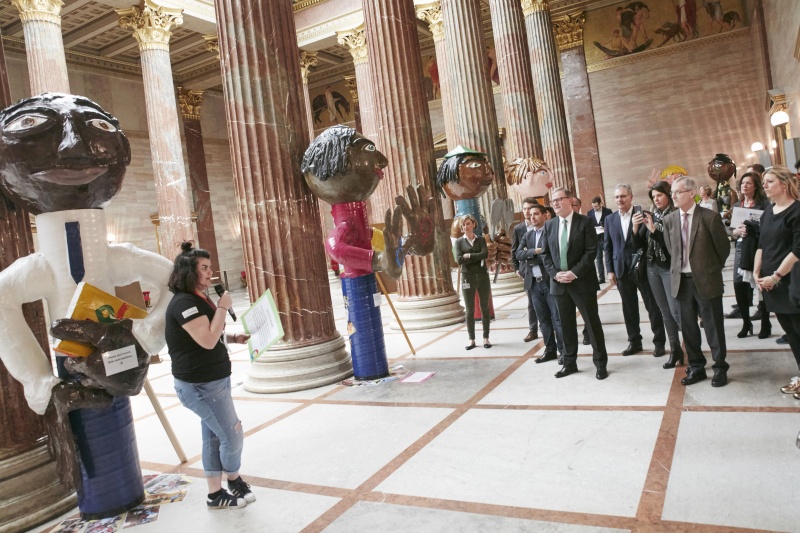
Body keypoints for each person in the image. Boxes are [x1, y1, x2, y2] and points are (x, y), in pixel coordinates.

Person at [166, 243, 254, 509]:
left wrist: (232, 337)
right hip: (200, 385)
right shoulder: (184, 303)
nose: (209, 272)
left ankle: (215, 494)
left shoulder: (198, 299)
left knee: (214, 437)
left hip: (213, 379)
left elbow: (205, 334)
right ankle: (234, 478)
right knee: (233, 435)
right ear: (188, 271)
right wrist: (223, 308)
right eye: (203, 268)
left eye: (209, 267)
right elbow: (205, 339)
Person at [662, 176, 730, 387]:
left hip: (706, 280)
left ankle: (719, 367)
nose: (673, 196)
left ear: (691, 193)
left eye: (677, 192)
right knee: (688, 328)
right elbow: (670, 250)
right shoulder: (669, 220)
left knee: (713, 327)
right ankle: (697, 367)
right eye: (672, 192)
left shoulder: (709, 217)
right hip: (681, 283)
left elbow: (723, 249)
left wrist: (709, 270)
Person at [541, 187, 609, 380]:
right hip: (559, 284)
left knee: (591, 323)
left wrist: (573, 273)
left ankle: (600, 364)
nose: (555, 203)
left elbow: (590, 252)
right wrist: (556, 274)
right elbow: (545, 255)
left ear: (570, 201)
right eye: (553, 200)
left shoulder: (585, 222)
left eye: (559, 199)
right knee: (566, 326)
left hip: (582, 283)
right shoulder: (550, 225)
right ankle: (569, 363)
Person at [753, 166, 800, 398]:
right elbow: (762, 243)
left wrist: (776, 276)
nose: (765, 186)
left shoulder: (797, 211)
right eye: (764, 182)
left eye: (769, 181)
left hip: (791, 281)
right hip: (771, 281)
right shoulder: (768, 211)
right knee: (791, 333)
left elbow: (797, 250)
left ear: (783, 184)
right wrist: (756, 270)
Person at [604, 184, 666, 356]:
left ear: (631, 197)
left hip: (642, 268)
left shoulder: (644, 215)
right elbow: (607, 247)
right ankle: (634, 342)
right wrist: (610, 270)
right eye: (617, 197)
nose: (620, 200)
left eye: (623, 196)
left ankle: (659, 342)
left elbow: (647, 242)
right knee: (628, 308)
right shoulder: (610, 219)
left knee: (652, 306)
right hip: (621, 270)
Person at [637, 180, 684, 368]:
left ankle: (691, 347)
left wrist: (654, 229)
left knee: (676, 312)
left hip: (668, 268)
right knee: (664, 312)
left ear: (668, 195)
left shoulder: (675, 215)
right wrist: (635, 229)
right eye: (653, 196)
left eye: (660, 195)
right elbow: (639, 243)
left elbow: (672, 245)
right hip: (652, 268)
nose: (656, 199)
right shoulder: (651, 215)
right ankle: (675, 349)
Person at [517, 204, 565, 364]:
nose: (533, 217)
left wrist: (534, 254)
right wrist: (535, 252)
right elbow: (519, 253)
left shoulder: (551, 232)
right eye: (530, 215)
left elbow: (550, 254)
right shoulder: (528, 235)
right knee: (543, 320)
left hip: (549, 281)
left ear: (545, 215)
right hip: (534, 284)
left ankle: (563, 352)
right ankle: (549, 350)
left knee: (557, 319)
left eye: (536, 214)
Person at [729, 172, 770, 338]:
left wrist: (753, 229)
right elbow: (731, 230)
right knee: (739, 286)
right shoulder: (737, 205)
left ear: (755, 186)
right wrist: (737, 231)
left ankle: (765, 322)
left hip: (757, 248)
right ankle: (746, 322)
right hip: (740, 248)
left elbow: (768, 227)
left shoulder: (764, 205)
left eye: (748, 183)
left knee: (760, 285)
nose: (744, 186)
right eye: (742, 183)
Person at [454, 214, 492, 349]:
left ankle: (486, 338)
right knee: (469, 309)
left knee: (484, 307)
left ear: (473, 225)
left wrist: (469, 255)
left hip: (482, 276)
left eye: (468, 224)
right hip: (467, 277)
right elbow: (458, 259)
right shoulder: (458, 242)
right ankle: (471, 339)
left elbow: (485, 254)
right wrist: (475, 257)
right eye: (463, 225)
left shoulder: (480, 240)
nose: (466, 227)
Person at [511, 197, 540, 342]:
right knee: (531, 302)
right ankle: (533, 330)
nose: (527, 211)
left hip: (542, 269)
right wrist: (516, 268)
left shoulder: (544, 226)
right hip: (526, 270)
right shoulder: (519, 228)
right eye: (525, 209)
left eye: (530, 208)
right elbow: (515, 249)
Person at [588, 196, 612, 284]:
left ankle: (611, 274)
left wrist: (605, 227)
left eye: (596, 206)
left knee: (608, 257)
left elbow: (611, 223)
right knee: (598, 259)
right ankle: (601, 278)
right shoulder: (589, 213)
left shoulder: (608, 211)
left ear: (600, 204)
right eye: (593, 206)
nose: (595, 208)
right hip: (596, 238)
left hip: (606, 237)